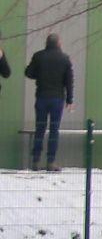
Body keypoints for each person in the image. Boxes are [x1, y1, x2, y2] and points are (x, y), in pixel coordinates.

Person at [27, 33, 74, 173]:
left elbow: (29, 73)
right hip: (57, 99)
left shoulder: (38, 56)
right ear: (58, 43)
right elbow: (69, 81)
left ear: (46, 43)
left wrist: (39, 74)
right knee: (54, 130)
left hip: (41, 97)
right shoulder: (65, 59)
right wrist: (69, 100)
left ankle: (36, 160)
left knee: (40, 129)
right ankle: (51, 161)